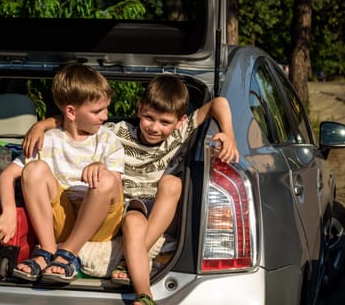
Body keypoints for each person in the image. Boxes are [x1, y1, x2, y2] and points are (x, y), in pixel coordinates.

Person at [23, 74, 239, 304]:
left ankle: (130, 262)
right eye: (149, 118)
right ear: (139, 109)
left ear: (180, 121)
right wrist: (42, 125)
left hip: (163, 207)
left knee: (172, 182)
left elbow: (219, 103)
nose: (155, 128)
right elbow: (79, 118)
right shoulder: (118, 132)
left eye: (164, 122)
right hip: (128, 204)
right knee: (133, 222)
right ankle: (142, 290)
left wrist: (229, 133)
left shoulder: (180, 133)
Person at [0, 63, 125, 284]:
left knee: (107, 179)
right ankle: (47, 250)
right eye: (97, 111)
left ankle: (67, 254)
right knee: (33, 169)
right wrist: (7, 212)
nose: (105, 116)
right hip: (63, 219)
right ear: (71, 112)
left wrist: (101, 169)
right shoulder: (47, 140)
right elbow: (7, 176)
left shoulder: (108, 139)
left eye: (105, 108)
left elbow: (115, 188)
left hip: (100, 222)